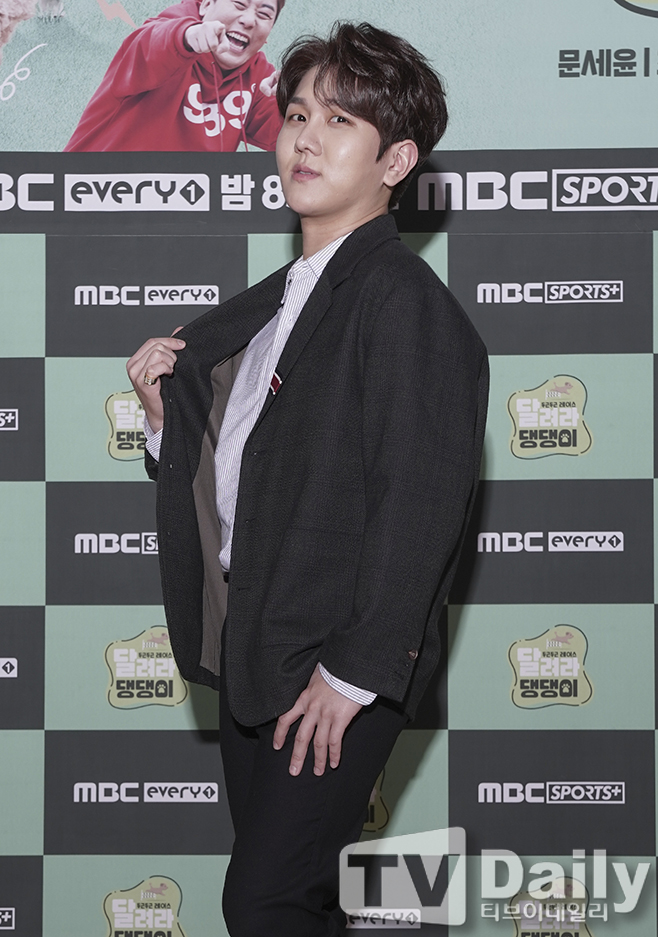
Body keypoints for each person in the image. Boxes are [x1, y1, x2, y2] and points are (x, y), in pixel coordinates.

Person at [127, 21, 488, 935]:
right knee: (296, 902)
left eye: (339, 120)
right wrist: (167, 424)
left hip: (332, 668)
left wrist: (355, 673)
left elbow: (420, 503)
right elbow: (245, 473)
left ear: (396, 160)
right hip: (258, 650)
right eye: (295, 115)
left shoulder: (404, 304)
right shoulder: (269, 308)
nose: (306, 139)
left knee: (265, 903)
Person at [65, 0, 284, 152]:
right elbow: (149, 47)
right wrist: (187, 37)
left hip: (179, 201)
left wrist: (297, 98)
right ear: (206, 4)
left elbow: (286, 137)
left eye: (264, 15)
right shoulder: (167, 34)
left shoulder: (260, 79)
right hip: (89, 189)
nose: (249, 20)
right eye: (239, 4)